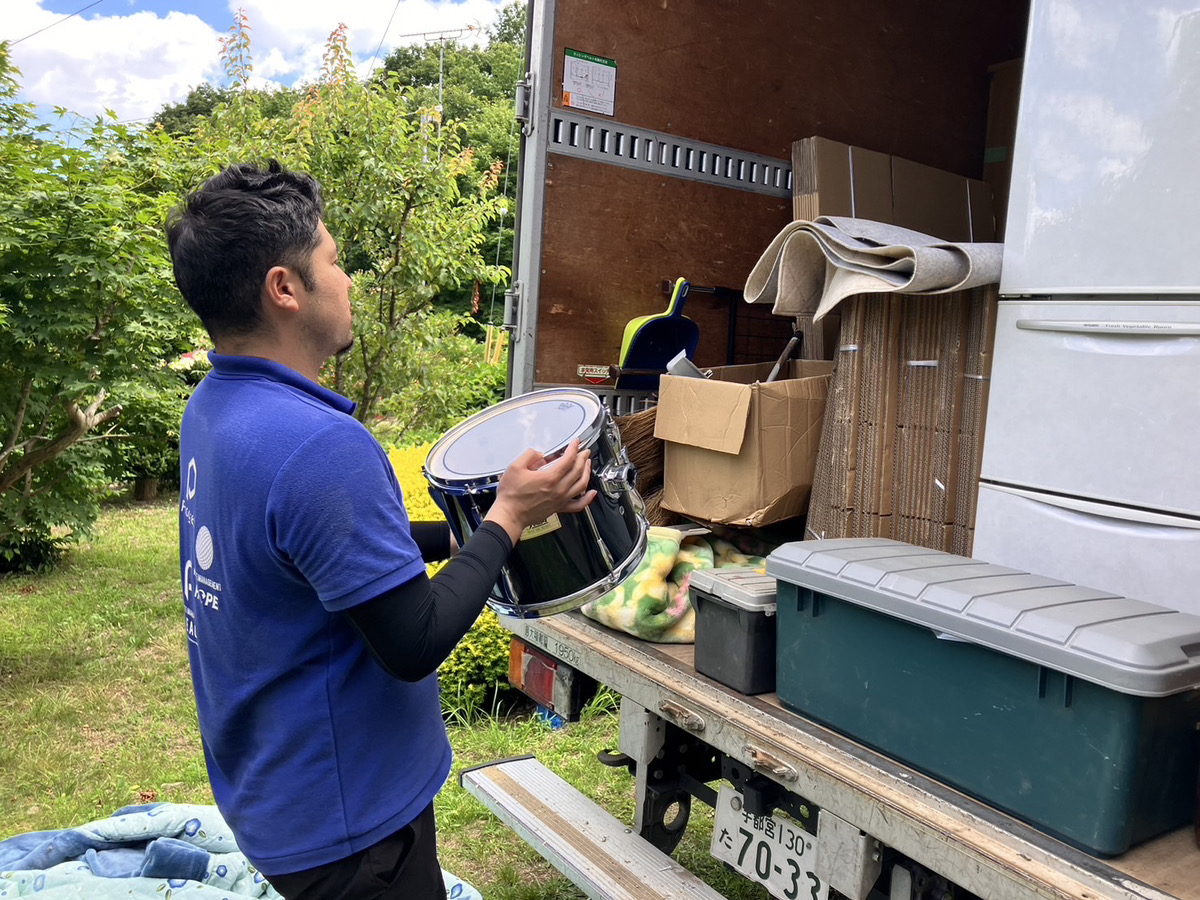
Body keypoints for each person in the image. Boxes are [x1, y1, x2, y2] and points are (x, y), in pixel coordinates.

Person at [166, 160, 595, 899]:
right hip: (351, 830)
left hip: (273, 791)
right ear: (285, 288)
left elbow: (306, 551)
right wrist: (509, 517)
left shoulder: (213, 409)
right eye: (335, 261)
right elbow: (412, 641)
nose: (350, 279)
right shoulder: (320, 447)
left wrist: (448, 542)